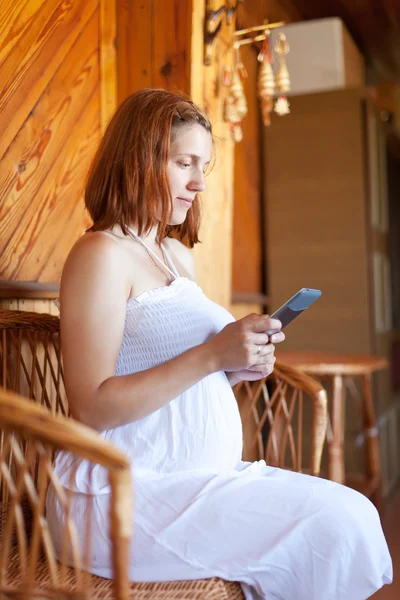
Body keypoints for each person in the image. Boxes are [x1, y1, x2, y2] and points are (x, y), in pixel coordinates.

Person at [46, 88, 392, 600]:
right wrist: (211, 354)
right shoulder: (101, 254)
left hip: (196, 479)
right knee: (338, 522)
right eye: (184, 163)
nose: (198, 183)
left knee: (351, 515)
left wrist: (234, 365)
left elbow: (178, 381)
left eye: (203, 165)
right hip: (122, 492)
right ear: (137, 159)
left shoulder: (173, 256)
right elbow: (91, 405)